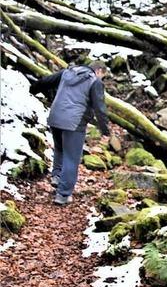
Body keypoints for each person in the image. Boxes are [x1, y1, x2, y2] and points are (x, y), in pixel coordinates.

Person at [30, 61, 110, 205]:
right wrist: (105, 131)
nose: (101, 79)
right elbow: (100, 108)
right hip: (74, 123)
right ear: (98, 70)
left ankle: (57, 176)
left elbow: (45, 81)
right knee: (72, 158)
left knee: (60, 148)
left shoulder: (67, 72)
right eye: (102, 76)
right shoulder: (94, 81)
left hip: (55, 117)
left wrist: (32, 89)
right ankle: (63, 194)